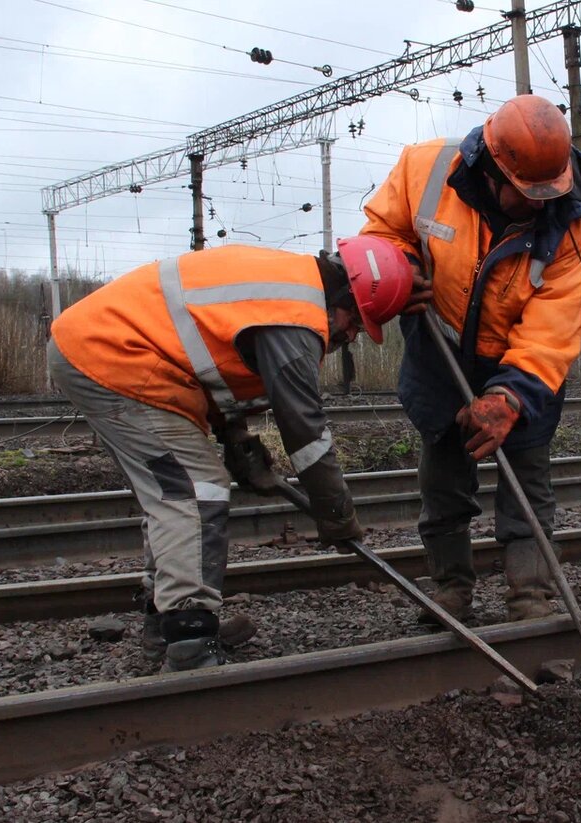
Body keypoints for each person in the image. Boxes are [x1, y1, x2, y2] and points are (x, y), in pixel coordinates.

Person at [47, 238, 413, 671]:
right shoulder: (297, 320)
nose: (351, 336)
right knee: (194, 491)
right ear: (344, 295)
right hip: (114, 356)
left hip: (112, 353)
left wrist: (236, 441)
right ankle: (189, 641)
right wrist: (335, 512)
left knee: (174, 493)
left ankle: (166, 624)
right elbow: (305, 430)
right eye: (356, 322)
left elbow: (207, 358)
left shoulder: (285, 290)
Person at [360, 94, 581, 623]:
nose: (538, 203)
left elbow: (554, 325)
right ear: (492, 168)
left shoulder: (570, 221)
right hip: (440, 347)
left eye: (546, 193)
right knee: (443, 476)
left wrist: (510, 396)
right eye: (525, 194)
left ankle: (530, 594)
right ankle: (450, 589)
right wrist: (400, 271)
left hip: (521, 365)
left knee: (527, 480)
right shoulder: (424, 169)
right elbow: (381, 232)